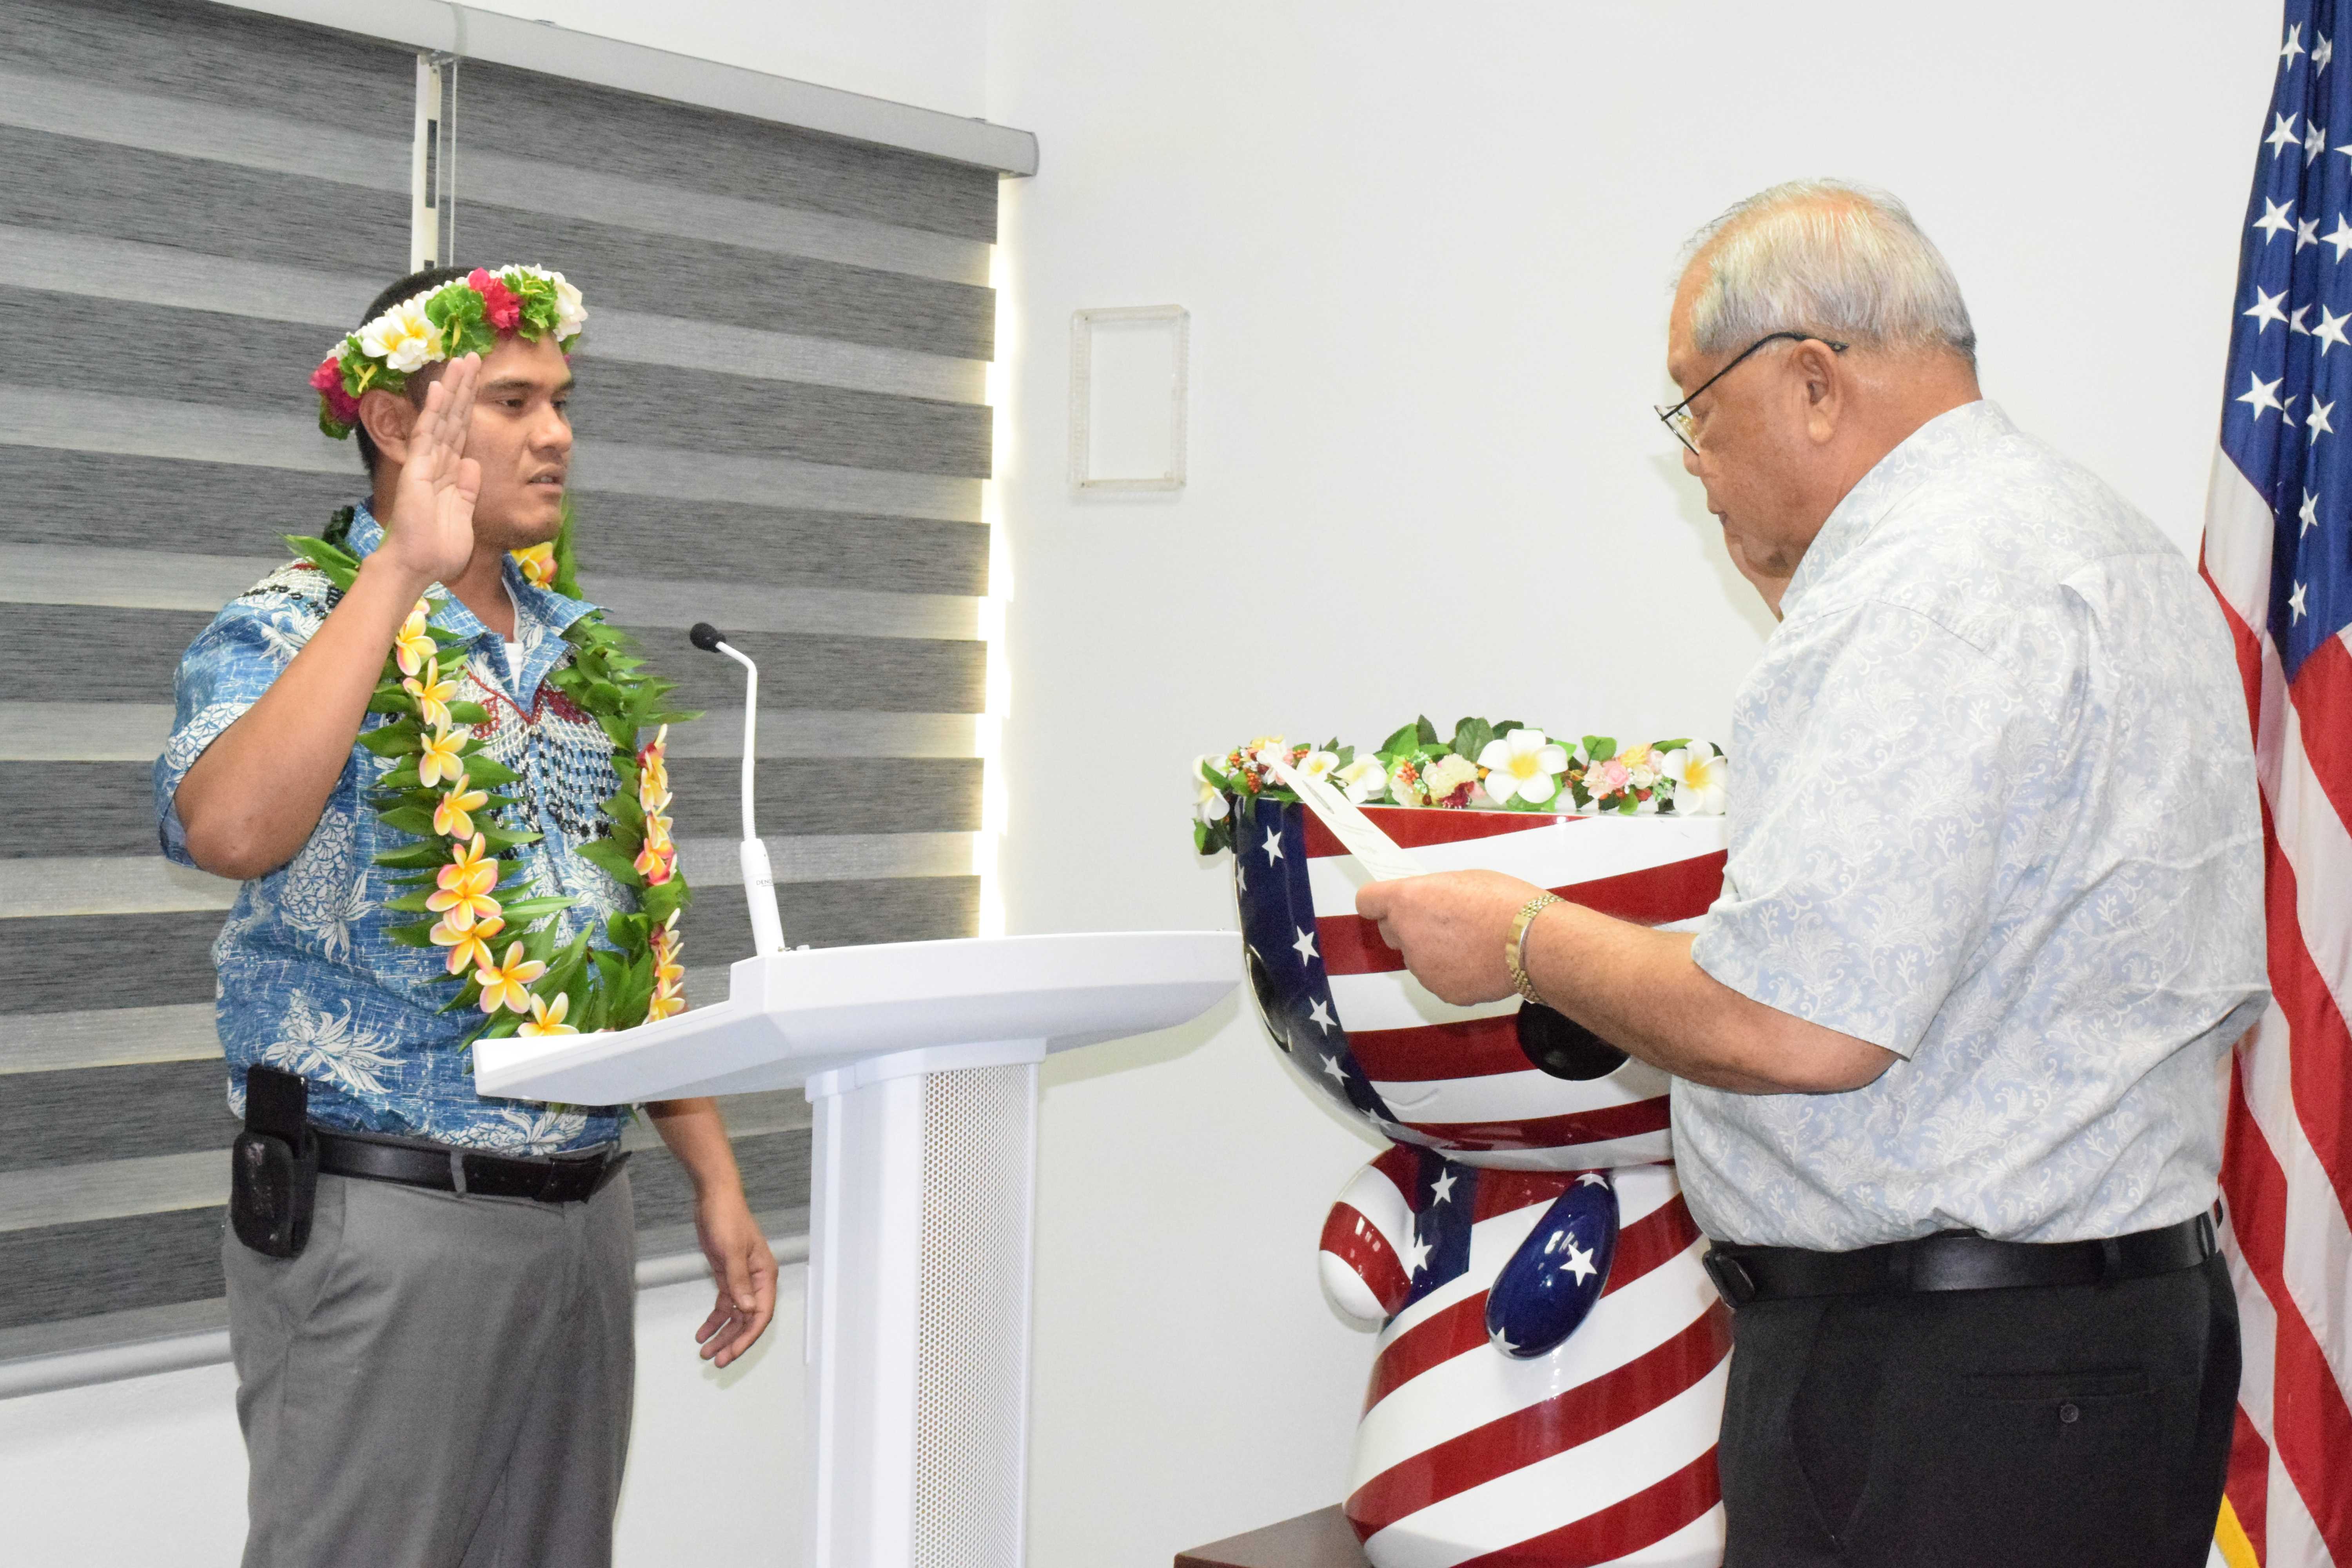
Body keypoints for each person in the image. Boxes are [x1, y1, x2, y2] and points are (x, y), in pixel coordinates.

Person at [1356, 181, 2265, 1568]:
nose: (1695, 462)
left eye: (1694, 410)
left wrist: (1527, 939)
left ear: (1813, 381)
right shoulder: (2101, 543)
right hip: (2113, 1343)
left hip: (1943, 1385)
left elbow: (1800, 1021)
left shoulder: (1923, 589)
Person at [155, 264, 776, 1567]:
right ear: (396, 425)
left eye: (562, 399)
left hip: (582, 1219)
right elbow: (228, 831)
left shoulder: (582, 657)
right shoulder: (284, 626)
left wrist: (712, 1177)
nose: (557, 432)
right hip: (384, 1223)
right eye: (511, 400)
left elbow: (630, 948)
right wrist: (400, 575)